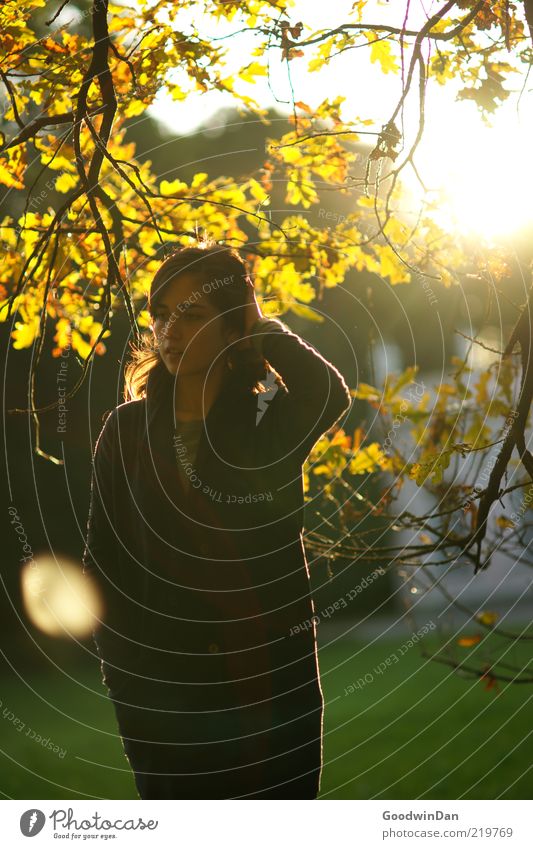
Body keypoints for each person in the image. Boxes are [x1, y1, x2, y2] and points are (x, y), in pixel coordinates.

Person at [82, 242, 351, 799]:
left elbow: (328, 393)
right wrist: (127, 678)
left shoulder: (268, 425)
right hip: (160, 692)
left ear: (233, 328)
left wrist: (261, 326)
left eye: (193, 315)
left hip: (269, 677)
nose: (170, 331)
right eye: (160, 316)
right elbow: (101, 564)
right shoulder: (125, 432)